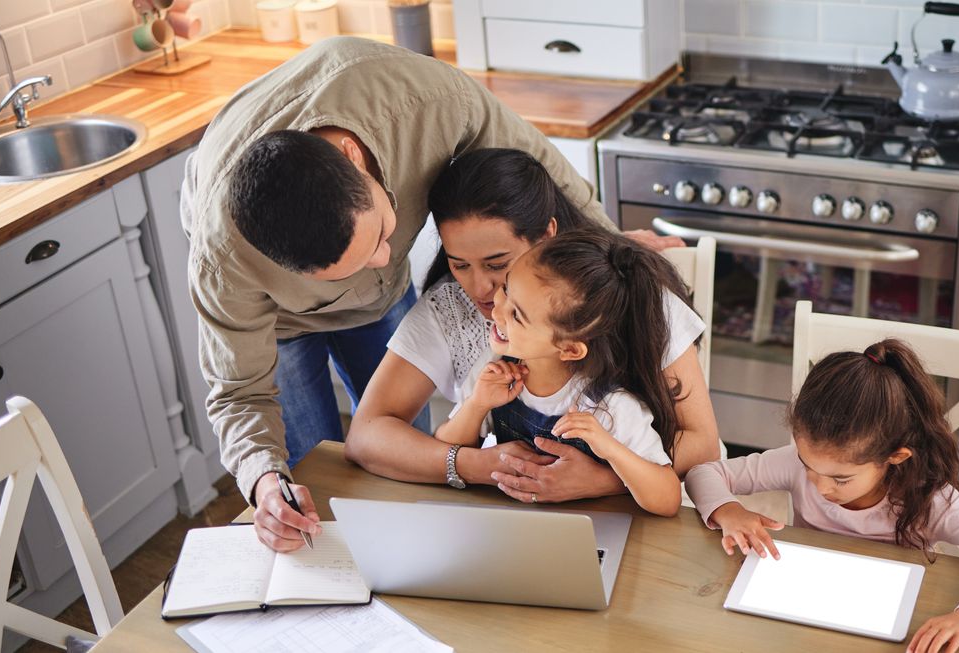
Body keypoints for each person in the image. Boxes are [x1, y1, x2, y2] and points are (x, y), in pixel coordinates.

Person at [180, 37, 672, 553]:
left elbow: (533, 164)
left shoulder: (426, 101)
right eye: (341, 272)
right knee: (316, 498)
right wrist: (265, 484)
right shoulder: (224, 264)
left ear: (353, 159)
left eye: (380, 240)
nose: (382, 264)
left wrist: (606, 249)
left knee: (398, 469)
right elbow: (239, 393)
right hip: (284, 326)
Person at [345, 148, 720, 503]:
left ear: (546, 235)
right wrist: (480, 465)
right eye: (459, 264)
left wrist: (601, 479)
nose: (481, 291)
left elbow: (701, 443)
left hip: (646, 508)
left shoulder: (629, 296)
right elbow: (366, 437)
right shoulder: (452, 312)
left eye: (497, 265)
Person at [684, 339, 959, 653]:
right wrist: (729, 510)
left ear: (894, 457)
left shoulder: (928, 499)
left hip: (886, 624)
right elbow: (704, 472)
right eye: (810, 466)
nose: (820, 487)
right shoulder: (794, 464)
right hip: (807, 610)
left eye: (841, 479)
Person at [434, 230, 687, 516]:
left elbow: (668, 499)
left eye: (517, 315)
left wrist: (611, 450)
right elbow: (445, 449)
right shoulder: (494, 365)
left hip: (592, 530)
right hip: (516, 523)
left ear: (569, 350)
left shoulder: (611, 406)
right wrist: (477, 405)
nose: (497, 309)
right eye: (506, 288)